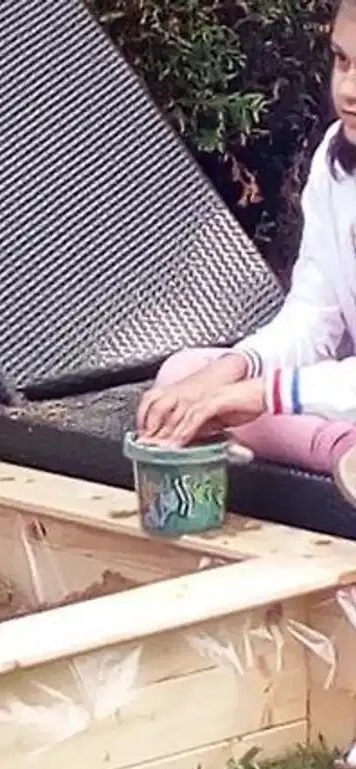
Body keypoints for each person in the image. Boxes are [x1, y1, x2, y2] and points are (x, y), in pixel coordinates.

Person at [136, 0, 356, 506]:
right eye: (342, 61)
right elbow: (312, 316)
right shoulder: (335, 157)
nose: (346, 89)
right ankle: (343, 451)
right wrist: (235, 370)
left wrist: (266, 394)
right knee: (185, 377)